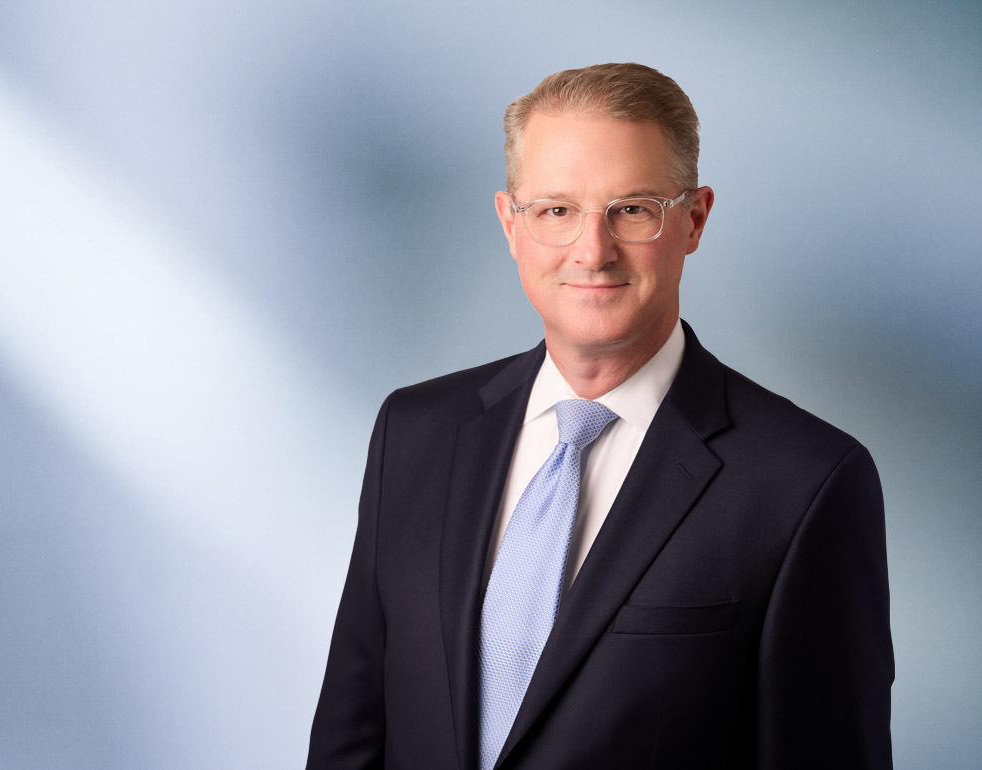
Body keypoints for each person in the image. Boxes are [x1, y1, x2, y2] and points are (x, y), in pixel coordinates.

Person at [307, 62, 892, 770]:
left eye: (633, 209)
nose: (592, 250)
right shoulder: (415, 434)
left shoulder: (804, 484)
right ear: (510, 223)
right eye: (556, 211)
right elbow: (350, 737)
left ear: (695, 219)